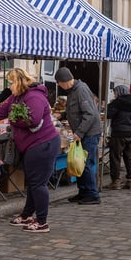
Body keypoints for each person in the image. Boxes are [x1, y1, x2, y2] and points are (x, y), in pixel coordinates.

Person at [0, 68, 60, 232]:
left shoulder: (35, 96)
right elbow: (1, 111)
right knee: (33, 183)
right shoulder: (16, 97)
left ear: (19, 82)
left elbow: (33, 120)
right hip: (32, 145)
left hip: (43, 144)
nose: (9, 86)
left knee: (38, 183)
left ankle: (42, 222)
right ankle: (27, 215)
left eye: (11, 83)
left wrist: (13, 121)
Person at [55, 66, 102, 205]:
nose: (59, 86)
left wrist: (79, 133)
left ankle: (92, 195)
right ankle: (83, 192)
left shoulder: (80, 90)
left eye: (59, 83)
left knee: (85, 163)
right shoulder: (73, 90)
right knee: (79, 163)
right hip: (84, 132)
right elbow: (76, 110)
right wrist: (62, 115)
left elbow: (90, 114)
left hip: (89, 133)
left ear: (64, 81)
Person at [106, 84, 131, 190]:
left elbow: (109, 115)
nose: (115, 94)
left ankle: (115, 181)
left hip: (118, 134)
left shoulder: (117, 103)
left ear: (120, 92)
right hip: (130, 134)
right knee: (129, 156)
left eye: (115, 92)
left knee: (115, 157)